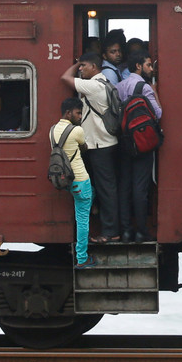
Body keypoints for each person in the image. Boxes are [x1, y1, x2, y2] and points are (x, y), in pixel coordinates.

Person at [62, 53, 121, 242]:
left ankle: (111, 231)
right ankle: (107, 226)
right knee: (105, 187)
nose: (80, 69)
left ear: (94, 67)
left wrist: (75, 62)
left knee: (106, 188)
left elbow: (64, 78)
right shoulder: (103, 83)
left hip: (99, 145)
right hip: (104, 142)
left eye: (83, 66)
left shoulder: (94, 86)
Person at [116, 50, 161, 242]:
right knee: (140, 189)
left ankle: (126, 231)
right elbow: (158, 114)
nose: (151, 69)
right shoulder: (145, 87)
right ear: (138, 66)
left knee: (124, 186)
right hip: (142, 144)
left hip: (124, 143)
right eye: (149, 65)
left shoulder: (119, 86)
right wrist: (155, 91)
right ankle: (142, 230)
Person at [52, 97, 96, 268]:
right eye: (78, 113)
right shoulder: (77, 131)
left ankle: (94, 205)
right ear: (68, 113)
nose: (80, 116)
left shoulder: (52, 130)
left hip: (66, 181)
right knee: (82, 220)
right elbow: (84, 147)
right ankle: (82, 258)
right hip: (80, 179)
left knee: (88, 200)